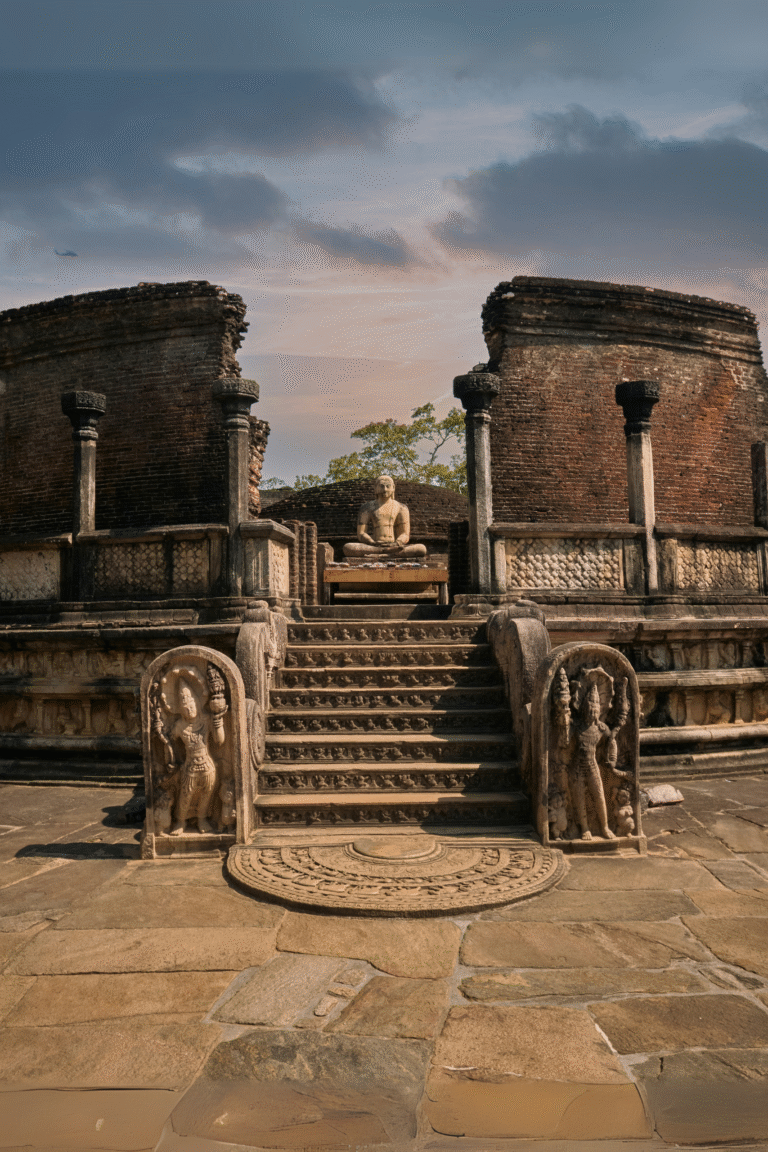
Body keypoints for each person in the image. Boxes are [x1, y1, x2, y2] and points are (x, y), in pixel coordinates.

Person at [343, 475, 427, 558]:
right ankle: (385, 552)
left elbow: (405, 534)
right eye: (381, 486)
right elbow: (361, 533)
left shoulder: (401, 508)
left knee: (421, 548)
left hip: (395, 545)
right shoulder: (367, 507)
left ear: (393, 488)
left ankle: (385, 553)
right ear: (376, 488)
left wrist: (396, 543)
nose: (385, 490)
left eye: (388, 486)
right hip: (374, 546)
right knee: (348, 547)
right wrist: (372, 542)